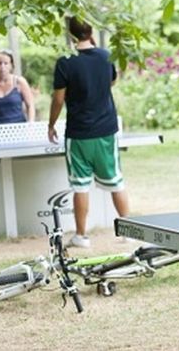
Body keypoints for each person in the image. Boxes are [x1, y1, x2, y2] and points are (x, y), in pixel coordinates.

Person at [48, 17, 129, 248]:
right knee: (116, 181)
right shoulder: (106, 57)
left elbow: (58, 98)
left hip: (79, 132)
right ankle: (129, 232)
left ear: (70, 34)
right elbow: (112, 81)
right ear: (91, 31)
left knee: (80, 185)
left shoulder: (65, 61)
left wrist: (51, 124)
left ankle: (82, 236)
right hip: (106, 130)